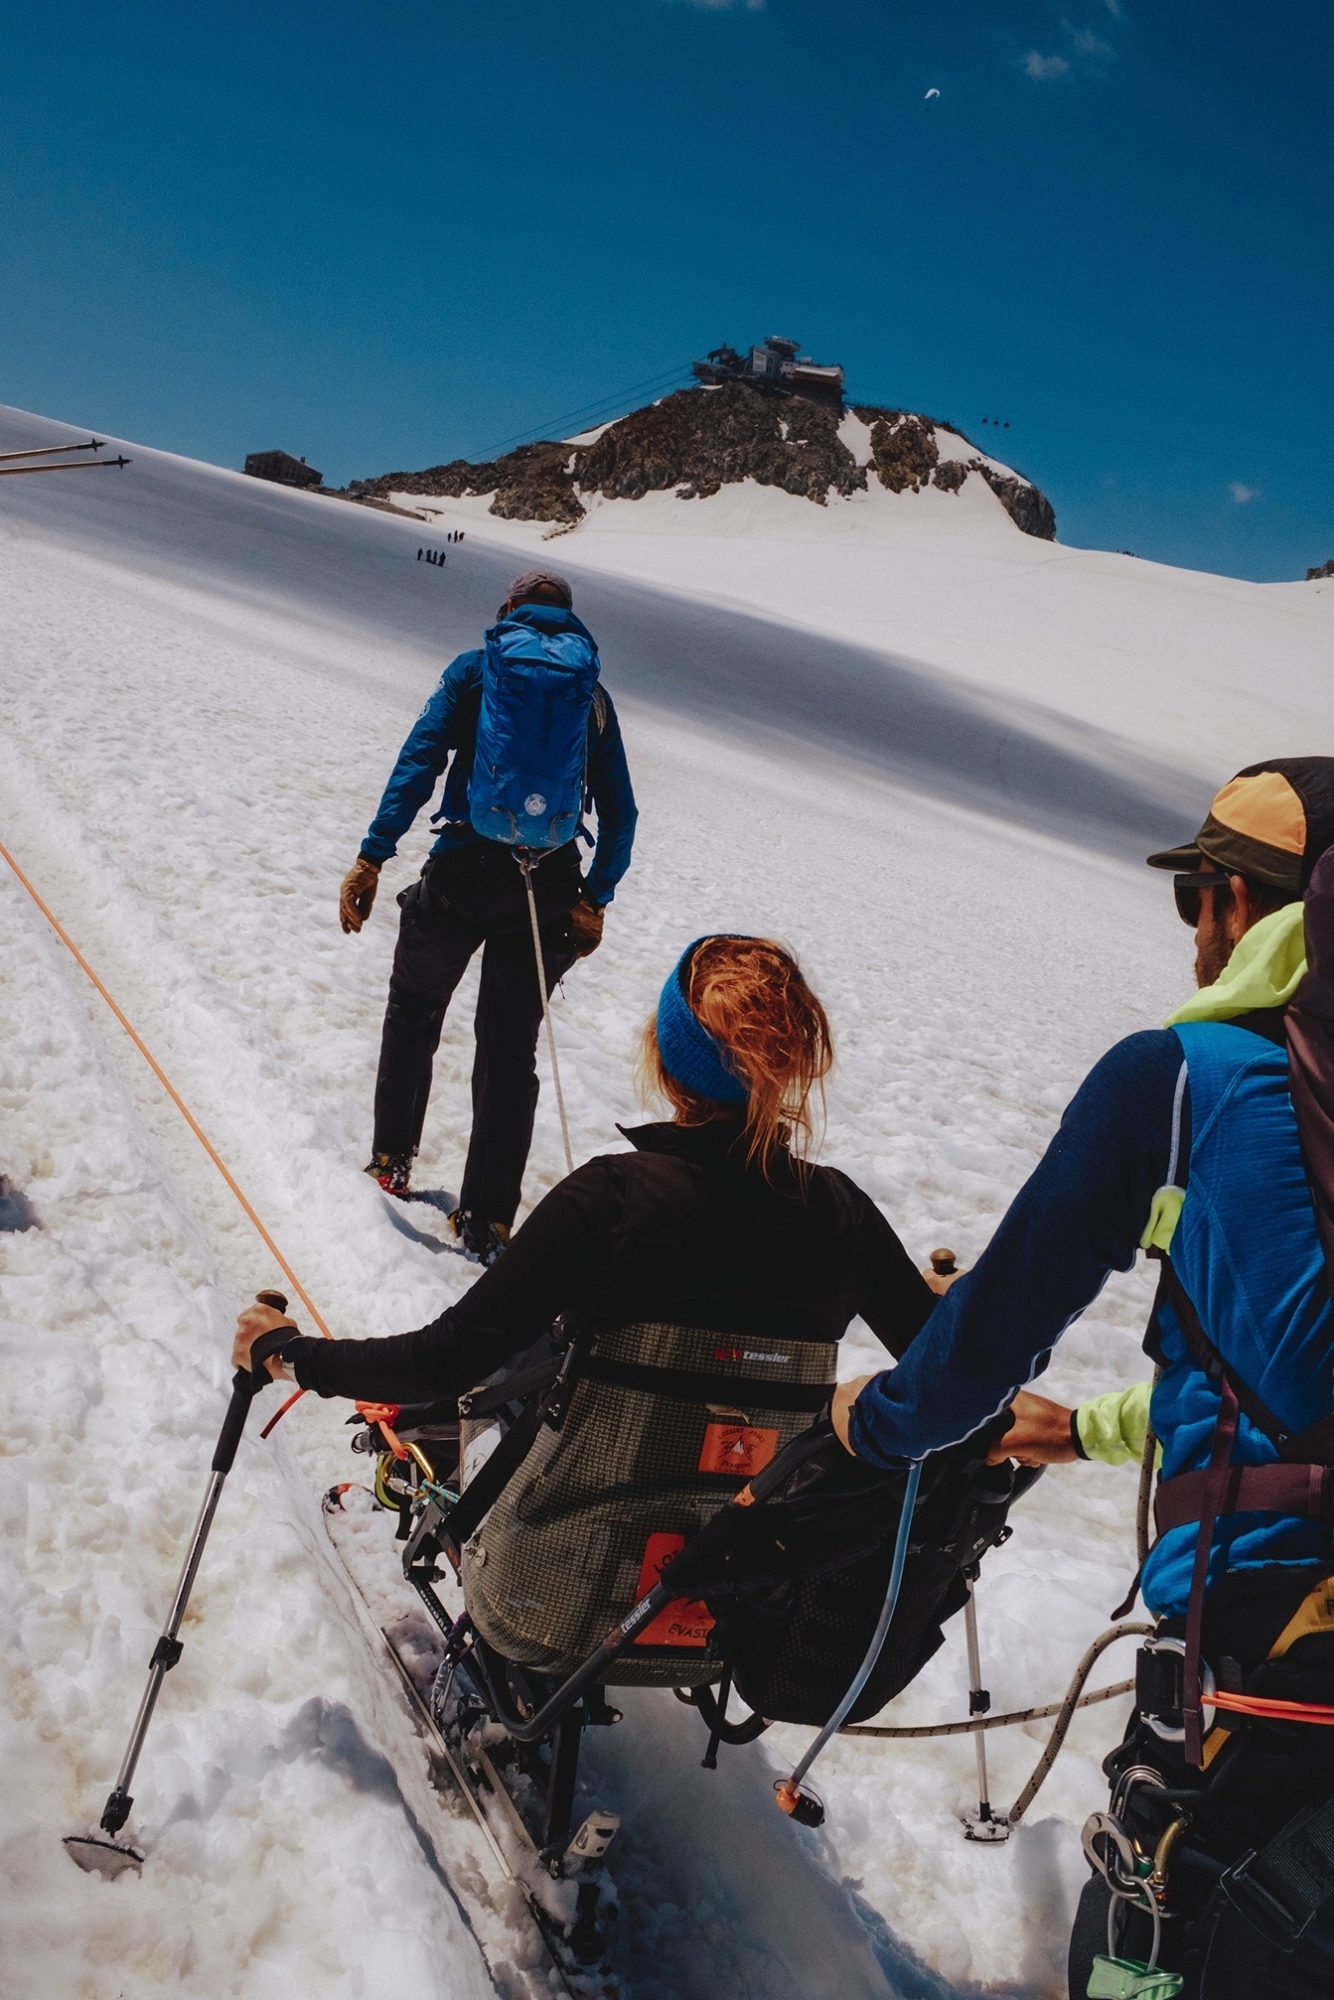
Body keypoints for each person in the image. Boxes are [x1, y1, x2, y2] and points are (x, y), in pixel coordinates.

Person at [831, 758, 1334, 1999]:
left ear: (1236, 904)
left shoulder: (1184, 1079)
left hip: (1264, 1645)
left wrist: (873, 1422)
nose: (1192, 937)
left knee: (1149, 1946)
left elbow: (973, 1357)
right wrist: (1100, 1430)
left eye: (1195, 901)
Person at [339, 569, 637, 1262]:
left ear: (509, 610)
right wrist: (596, 898)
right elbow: (620, 811)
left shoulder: (477, 671)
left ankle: (390, 1160)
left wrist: (373, 855)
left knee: (415, 1010)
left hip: (462, 873)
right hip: (547, 889)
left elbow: (419, 759)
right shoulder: (590, 698)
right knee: (509, 1051)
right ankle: (488, 1219)